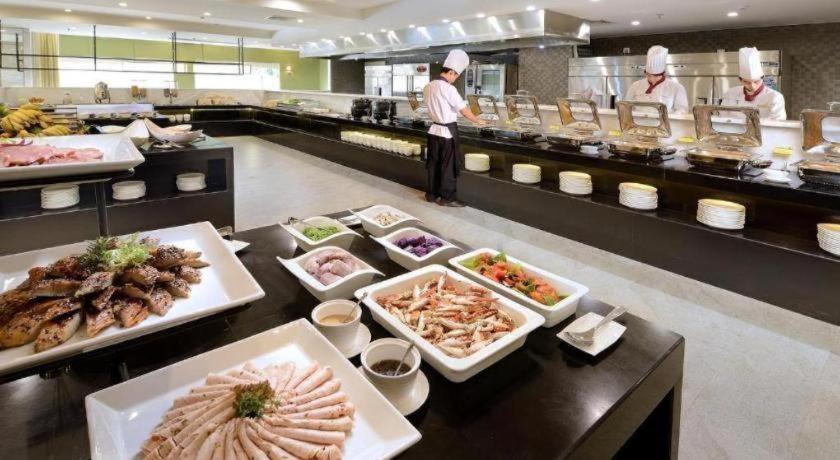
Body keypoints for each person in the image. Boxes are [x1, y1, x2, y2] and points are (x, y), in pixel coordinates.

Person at [422, 49, 484, 207]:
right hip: (447, 133)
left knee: (433, 164)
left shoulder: (428, 86)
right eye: (456, 76)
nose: (455, 79)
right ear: (450, 72)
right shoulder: (448, 88)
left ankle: (431, 194)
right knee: (448, 167)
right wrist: (477, 120)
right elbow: (464, 110)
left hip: (434, 130)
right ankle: (447, 198)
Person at [721, 47, 786, 120]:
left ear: (762, 78)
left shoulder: (775, 97)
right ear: (740, 80)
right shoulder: (730, 94)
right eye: (746, 82)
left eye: (756, 81)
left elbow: (778, 122)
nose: (752, 86)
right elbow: (722, 118)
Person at [624, 45, 689, 114]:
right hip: (638, 121)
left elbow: (682, 110)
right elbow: (625, 106)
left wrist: (671, 117)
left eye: (655, 76)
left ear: (663, 74)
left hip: (664, 121)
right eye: (648, 75)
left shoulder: (676, 87)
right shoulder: (635, 85)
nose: (652, 79)